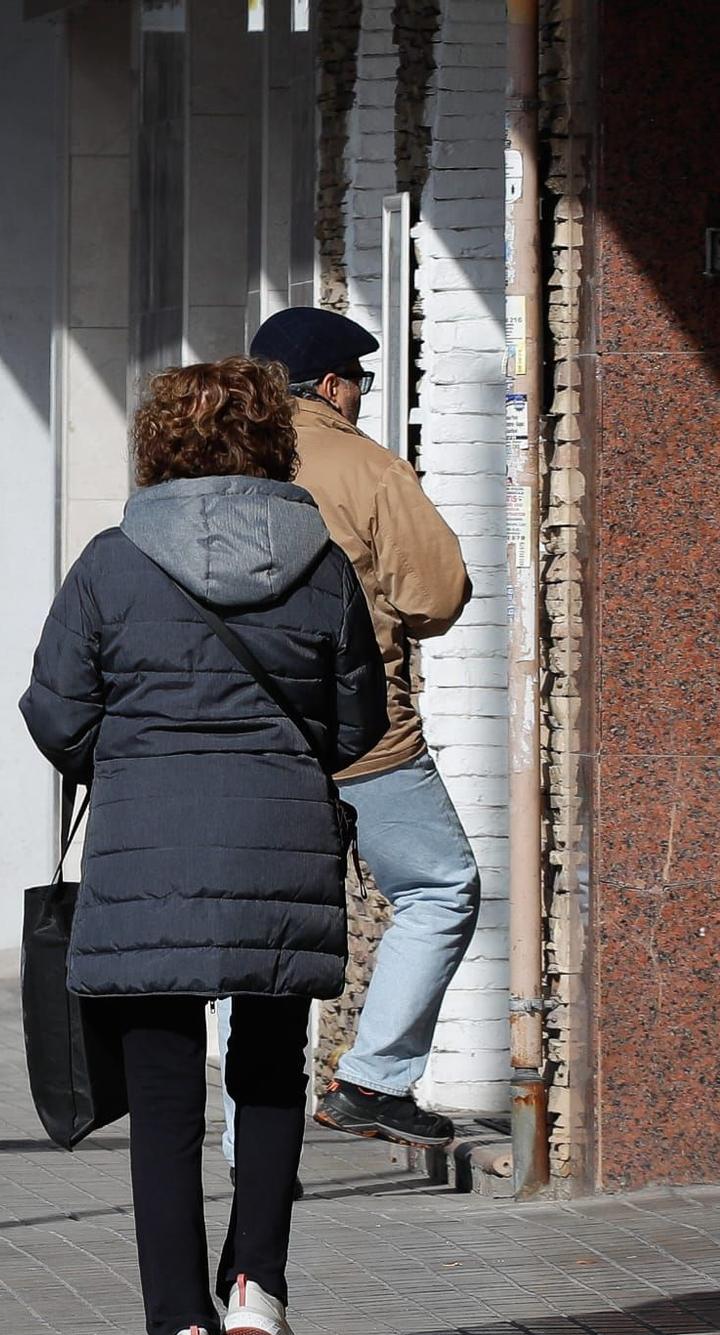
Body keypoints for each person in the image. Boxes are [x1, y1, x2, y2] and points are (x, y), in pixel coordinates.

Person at [19, 357, 386, 1335]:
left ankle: (180, 1333)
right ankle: (254, 1287)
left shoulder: (110, 561)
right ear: (273, 440)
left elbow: (54, 714)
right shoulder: (321, 562)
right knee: (268, 1069)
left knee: (166, 1094)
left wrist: (127, 749)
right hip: (278, 844)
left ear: (157, 443)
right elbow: (355, 720)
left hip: (147, 851)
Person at [234, 307, 478, 1153]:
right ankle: (374, 1079)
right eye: (360, 383)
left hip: (247, 740)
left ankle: (247, 1146)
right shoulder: (367, 466)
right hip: (363, 737)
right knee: (440, 887)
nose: (361, 398)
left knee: (256, 927)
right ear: (333, 385)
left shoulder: (216, 463)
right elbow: (436, 596)